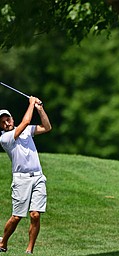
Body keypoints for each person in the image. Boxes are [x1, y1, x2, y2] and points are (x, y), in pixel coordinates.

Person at [0, 96, 52, 254]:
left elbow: (47, 127)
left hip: (38, 176)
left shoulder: (27, 131)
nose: (7, 123)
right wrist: (31, 104)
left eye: (7, 119)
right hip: (21, 179)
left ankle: (29, 250)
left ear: (11, 118)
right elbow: (25, 122)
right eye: (2, 122)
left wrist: (40, 109)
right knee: (17, 216)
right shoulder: (5, 138)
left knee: (35, 215)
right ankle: (3, 242)